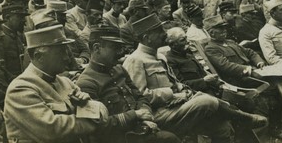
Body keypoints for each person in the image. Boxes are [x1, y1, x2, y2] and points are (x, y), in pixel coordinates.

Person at [123, 13, 266, 142]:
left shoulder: (160, 56)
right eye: (159, 31)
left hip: (179, 104)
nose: (164, 34)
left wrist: (182, 89)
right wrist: (172, 93)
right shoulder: (135, 60)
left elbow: (175, 82)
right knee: (206, 100)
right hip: (161, 113)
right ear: (147, 38)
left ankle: (242, 118)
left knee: (221, 128)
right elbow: (140, 97)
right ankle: (244, 118)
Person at [4, 25, 108, 143]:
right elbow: (50, 130)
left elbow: (101, 110)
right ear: (39, 56)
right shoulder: (20, 89)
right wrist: (92, 120)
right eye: (60, 53)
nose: (67, 58)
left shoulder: (65, 82)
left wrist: (89, 105)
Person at [77, 27, 180, 143]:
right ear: (97, 48)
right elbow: (97, 126)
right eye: (115, 48)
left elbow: (140, 97)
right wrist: (135, 116)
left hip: (139, 128)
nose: (120, 53)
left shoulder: (119, 69)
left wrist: (145, 114)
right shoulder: (86, 83)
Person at [166, 27, 220, 94]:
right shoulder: (170, 61)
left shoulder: (188, 54)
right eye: (183, 40)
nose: (187, 41)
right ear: (173, 45)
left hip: (210, 90)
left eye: (186, 38)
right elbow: (180, 85)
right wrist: (204, 81)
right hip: (197, 95)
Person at [0, 5, 29, 77]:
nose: (24, 20)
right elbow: (0, 68)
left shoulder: (18, 35)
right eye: (20, 17)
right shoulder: (0, 38)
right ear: (7, 18)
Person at [65, 0, 91, 64]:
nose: (89, 3)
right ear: (78, 2)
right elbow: (79, 36)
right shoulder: (70, 15)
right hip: (84, 44)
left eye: (90, 0)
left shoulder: (92, 11)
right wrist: (90, 22)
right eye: (87, 1)